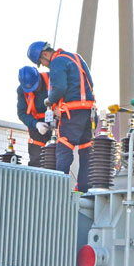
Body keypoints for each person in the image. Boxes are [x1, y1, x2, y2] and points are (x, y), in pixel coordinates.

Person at [27, 41, 95, 191]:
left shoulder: (57, 62)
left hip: (72, 113)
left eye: (42, 62)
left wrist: (49, 101)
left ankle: (58, 190)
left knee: (63, 148)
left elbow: (59, 88)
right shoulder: (76, 57)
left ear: (45, 54)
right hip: (89, 112)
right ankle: (84, 189)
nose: (44, 66)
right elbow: (90, 83)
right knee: (86, 149)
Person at [17, 65, 52, 166]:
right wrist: (36, 124)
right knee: (36, 160)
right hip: (37, 128)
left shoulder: (51, 80)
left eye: (36, 85)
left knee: (54, 159)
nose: (35, 89)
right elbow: (22, 113)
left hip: (55, 122)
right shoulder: (22, 91)